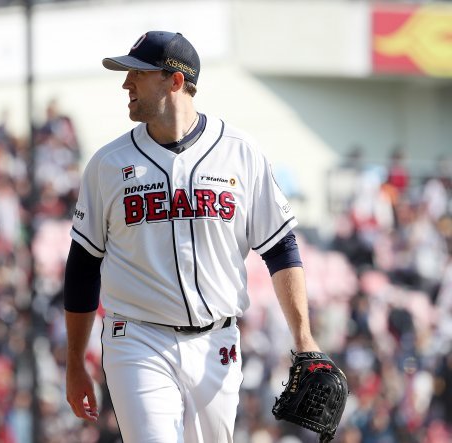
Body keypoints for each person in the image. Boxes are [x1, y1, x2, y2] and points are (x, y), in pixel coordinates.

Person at [63, 31, 322, 442]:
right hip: (137, 337)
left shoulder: (240, 151)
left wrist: (303, 336)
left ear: (175, 81)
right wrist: (75, 361)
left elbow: (281, 248)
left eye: (137, 74)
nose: (125, 83)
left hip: (217, 341)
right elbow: (82, 265)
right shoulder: (108, 164)